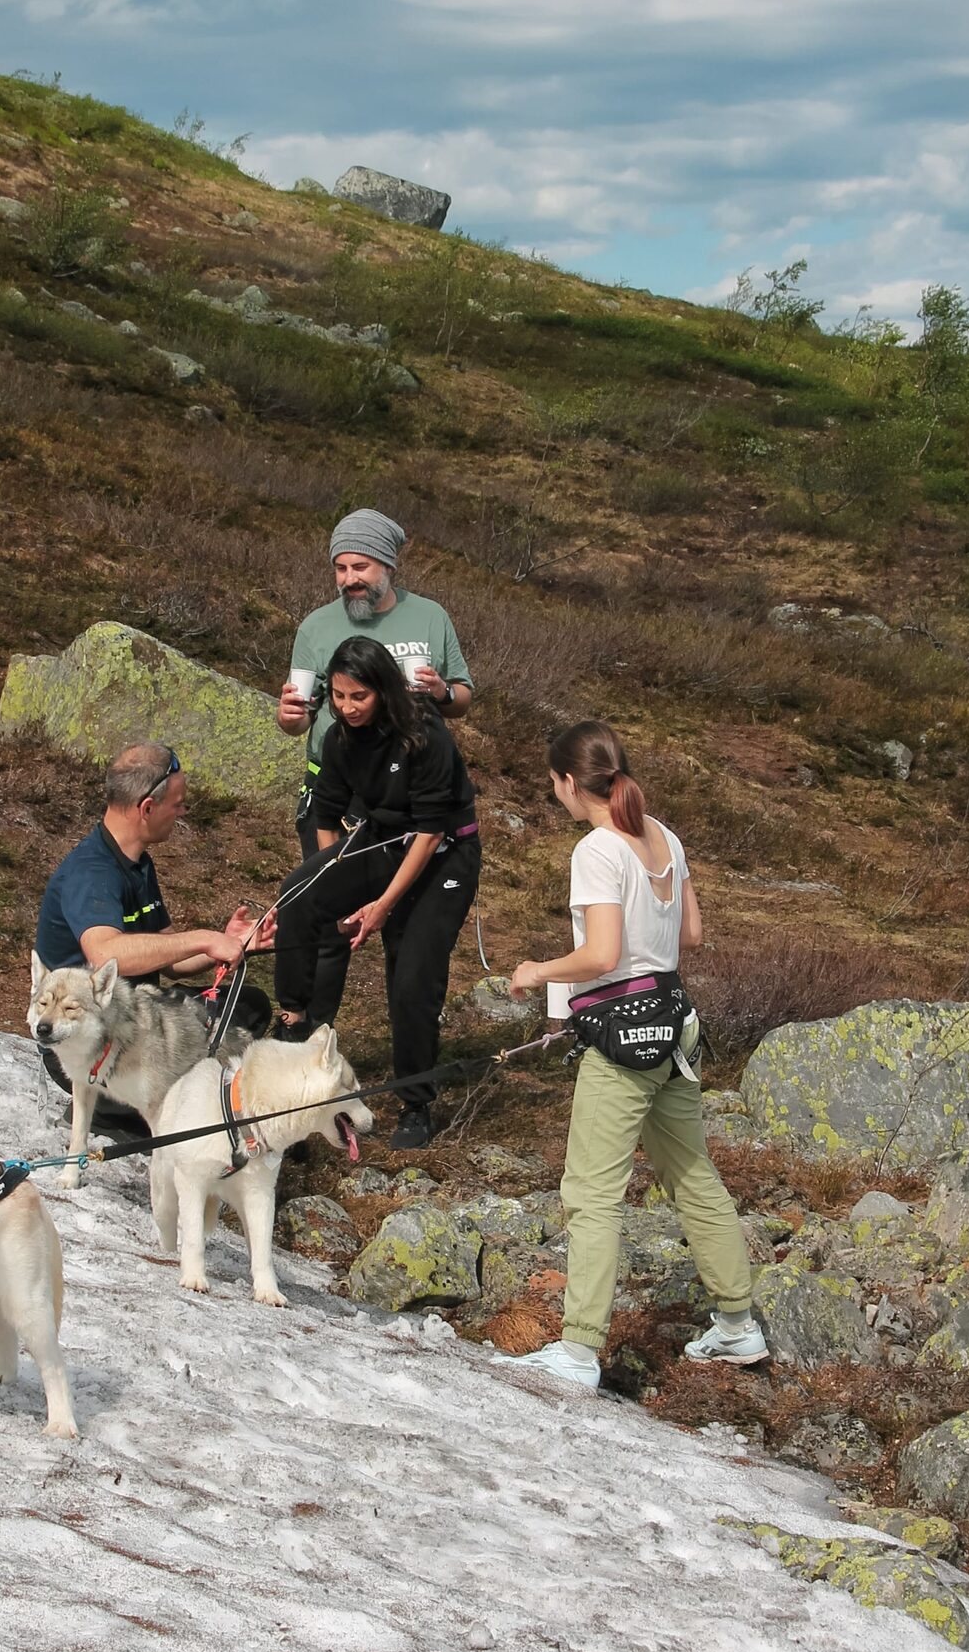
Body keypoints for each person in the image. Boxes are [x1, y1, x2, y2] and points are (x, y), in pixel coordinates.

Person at [505, 720, 766, 1393]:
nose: (554, 792)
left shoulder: (597, 848)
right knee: (691, 1174)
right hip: (675, 1025)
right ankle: (738, 1323)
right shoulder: (662, 836)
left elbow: (600, 956)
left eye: (552, 782)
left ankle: (578, 1349)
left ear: (567, 781)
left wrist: (537, 971)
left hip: (623, 1040)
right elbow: (693, 935)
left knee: (591, 1192)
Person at [272, 638, 480, 1152]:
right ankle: (297, 1026)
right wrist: (333, 881)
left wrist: (382, 907)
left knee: (412, 977)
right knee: (298, 893)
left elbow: (431, 832)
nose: (347, 707)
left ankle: (416, 1102)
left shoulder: (424, 733)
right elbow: (325, 813)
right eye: (339, 696)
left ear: (383, 689)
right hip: (381, 840)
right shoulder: (340, 738)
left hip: (443, 852)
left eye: (358, 696)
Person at [35, 742, 271, 1139]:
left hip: (137, 1024)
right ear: (147, 808)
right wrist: (203, 938)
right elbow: (106, 953)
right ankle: (111, 1112)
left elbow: (168, 961)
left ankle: (151, 1106)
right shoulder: (92, 873)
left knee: (246, 1007)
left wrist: (226, 943)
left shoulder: (137, 863)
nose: (181, 813)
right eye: (177, 805)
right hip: (95, 1045)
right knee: (217, 1036)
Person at [277, 509, 473, 859]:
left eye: (360, 567)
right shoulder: (316, 627)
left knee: (393, 908)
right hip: (335, 786)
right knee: (333, 900)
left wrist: (443, 692)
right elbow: (299, 718)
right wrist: (290, 718)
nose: (348, 579)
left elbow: (462, 698)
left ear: (388, 566)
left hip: (410, 789)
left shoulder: (430, 617)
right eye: (341, 568)